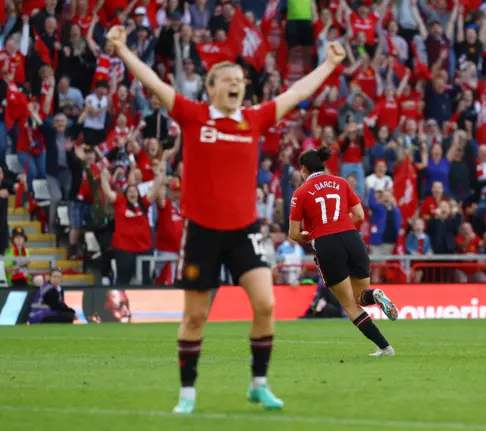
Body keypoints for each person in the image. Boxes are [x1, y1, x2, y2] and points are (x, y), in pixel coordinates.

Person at [105, 25, 348, 414]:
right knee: (196, 317)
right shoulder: (193, 115)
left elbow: (297, 92)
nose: (237, 84)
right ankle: (187, 395)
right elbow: (151, 80)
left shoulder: (252, 119)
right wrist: (121, 48)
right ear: (211, 87)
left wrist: (330, 64)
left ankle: (259, 384)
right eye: (228, 80)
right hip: (201, 231)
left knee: (265, 304)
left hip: (244, 231)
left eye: (240, 79)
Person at [288, 145, 398, 356]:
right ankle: (374, 295)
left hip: (326, 243)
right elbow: (359, 215)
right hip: (352, 238)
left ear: (303, 169)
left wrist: (314, 233)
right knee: (361, 296)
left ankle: (385, 347)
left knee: (349, 305)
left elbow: (294, 234)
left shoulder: (300, 193)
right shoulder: (341, 182)